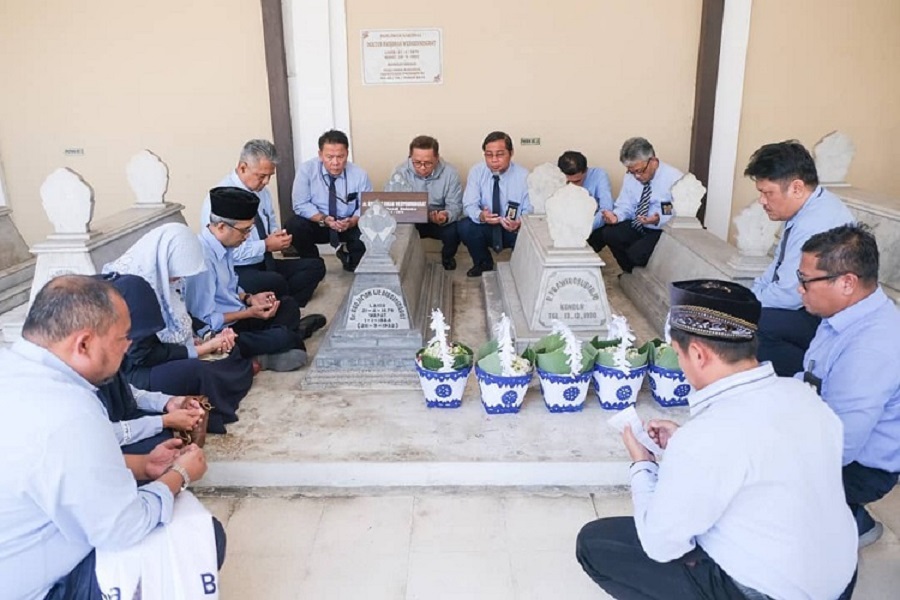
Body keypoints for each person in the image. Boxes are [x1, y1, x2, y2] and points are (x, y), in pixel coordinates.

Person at [576, 278, 858, 600]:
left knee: (596, 543)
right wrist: (683, 442)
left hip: (768, 593)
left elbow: (661, 545)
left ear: (698, 354)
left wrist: (643, 465)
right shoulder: (804, 395)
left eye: (678, 353)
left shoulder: (707, 436)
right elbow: (762, 455)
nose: (680, 364)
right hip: (839, 582)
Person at [0, 275, 222, 600]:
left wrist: (144, 465)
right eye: (122, 338)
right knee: (204, 536)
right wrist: (180, 474)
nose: (128, 346)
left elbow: (59, 468)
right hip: (40, 587)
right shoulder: (68, 412)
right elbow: (124, 528)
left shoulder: (15, 369)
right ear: (84, 344)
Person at [797, 223, 900, 548]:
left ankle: (847, 522)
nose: (799, 289)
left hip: (860, 467)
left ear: (846, 283)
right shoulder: (847, 314)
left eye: (806, 280)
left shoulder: (871, 347)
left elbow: (841, 446)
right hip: (825, 427)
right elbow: (810, 378)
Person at [104, 225, 254, 433]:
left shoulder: (165, 279)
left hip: (165, 353)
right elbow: (142, 355)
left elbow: (181, 313)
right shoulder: (135, 291)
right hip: (139, 371)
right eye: (176, 274)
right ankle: (213, 409)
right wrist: (198, 349)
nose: (178, 280)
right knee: (200, 370)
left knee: (230, 349)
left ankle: (233, 377)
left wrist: (204, 335)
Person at [744, 140, 854, 376]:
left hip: (828, 318)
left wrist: (746, 307)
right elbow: (777, 267)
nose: (762, 201)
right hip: (808, 304)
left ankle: (810, 378)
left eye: (768, 193)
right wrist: (752, 296)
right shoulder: (805, 210)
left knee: (751, 327)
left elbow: (789, 295)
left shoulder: (814, 223)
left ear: (796, 188)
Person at [187, 186, 312, 371]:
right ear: (221, 227)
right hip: (222, 333)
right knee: (286, 339)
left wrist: (250, 298)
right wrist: (249, 313)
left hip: (240, 315)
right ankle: (272, 347)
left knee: (288, 305)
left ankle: (275, 341)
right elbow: (206, 322)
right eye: (244, 231)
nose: (247, 237)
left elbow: (231, 289)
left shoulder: (225, 246)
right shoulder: (201, 260)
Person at [201, 139, 326, 307]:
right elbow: (223, 251)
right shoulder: (220, 198)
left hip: (263, 260)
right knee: (275, 281)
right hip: (236, 268)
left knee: (315, 266)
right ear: (243, 168)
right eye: (261, 176)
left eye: (270, 176)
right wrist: (265, 245)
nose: (266, 181)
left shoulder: (262, 192)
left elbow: (270, 221)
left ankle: (283, 304)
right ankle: (280, 303)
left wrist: (277, 236)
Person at [288, 129, 373, 272]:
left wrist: (353, 221)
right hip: (319, 223)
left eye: (340, 156)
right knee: (294, 225)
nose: (335, 162)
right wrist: (324, 219)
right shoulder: (306, 171)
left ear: (347, 154)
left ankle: (348, 256)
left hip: (348, 224)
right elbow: (300, 204)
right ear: (320, 155)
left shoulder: (359, 174)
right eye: (329, 157)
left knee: (368, 228)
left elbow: (366, 206)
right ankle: (312, 262)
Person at [598, 137, 682, 273]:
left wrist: (657, 219)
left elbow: (677, 212)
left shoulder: (675, 179)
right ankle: (629, 273)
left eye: (640, 171)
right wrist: (616, 217)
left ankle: (645, 272)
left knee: (637, 254)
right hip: (638, 224)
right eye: (631, 171)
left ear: (653, 161)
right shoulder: (631, 177)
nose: (636, 176)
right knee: (609, 233)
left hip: (661, 230)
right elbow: (625, 204)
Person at [458, 131, 532, 277]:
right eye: (489, 155)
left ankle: (519, 268)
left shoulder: (524, 176)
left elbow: (529, 209)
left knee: (529, 234)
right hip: (486, 225)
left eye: (500, 154)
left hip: (512, 228)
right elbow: (468, 204)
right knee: (465, 226)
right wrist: (481, 215)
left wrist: (519, 222)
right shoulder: (477, 172)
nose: (494, 160)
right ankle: (483, 264)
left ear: (511, 153)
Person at [387, 135, 463, 270]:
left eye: (428, 163)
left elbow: (455, 206)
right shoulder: (400, 172)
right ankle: (403, 262)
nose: (422, 168)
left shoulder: (450, 173)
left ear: (437, 158)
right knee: (395, 229)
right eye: (417, 162)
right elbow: (392, 203)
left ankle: (447, 257)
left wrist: (445, 216)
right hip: (411, 218)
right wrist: (417, 212)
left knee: (454, 230)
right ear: (410, 157)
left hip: (438, 217)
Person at [557, 151, 614, 252]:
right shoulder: (556, 177)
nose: (573, 185)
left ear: (585, 171)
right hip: (565, 226)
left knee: (608, 231)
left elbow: (606, 209)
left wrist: (586, 227)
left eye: (577, 181)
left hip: (592, 226)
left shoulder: (599, 175)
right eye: (569, 181)